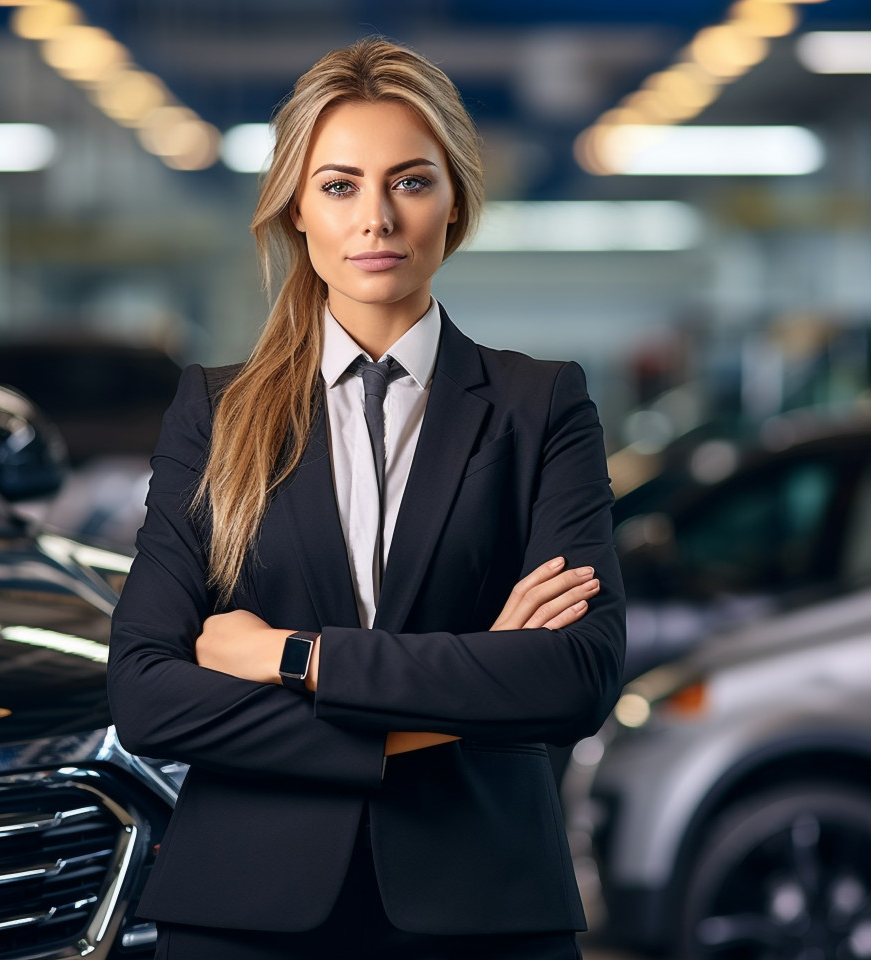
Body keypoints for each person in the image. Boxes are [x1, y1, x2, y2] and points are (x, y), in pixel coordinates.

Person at [108, 36, 625, 960]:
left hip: (485, 905)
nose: (377, 218)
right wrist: (448, 704)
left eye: (410, 182)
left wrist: (290, 656)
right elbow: (147, 695)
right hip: (246, 910)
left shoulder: (540, 405)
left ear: (454, 199)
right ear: (296, 208)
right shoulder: (216, 413)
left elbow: (574, 676)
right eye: (340, 186)